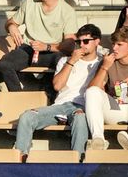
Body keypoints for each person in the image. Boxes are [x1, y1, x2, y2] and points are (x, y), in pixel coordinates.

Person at [12, 25, 101, 160]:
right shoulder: (65, 60)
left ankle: (78, 161)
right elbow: (58, 86)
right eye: (79, 42)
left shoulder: (101, 63)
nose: (82, 45)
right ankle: (20, 158)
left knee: (80, 118)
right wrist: (72, 61)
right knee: (27, 116)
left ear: (97, 41)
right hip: (60, 106)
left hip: (82, 107)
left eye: (86, 41)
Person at [0, 0, 79, 91]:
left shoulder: (67, 11)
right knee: (5, 64)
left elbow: (70, 44)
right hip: (28, 49)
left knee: (63, 65)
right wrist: (11, 26)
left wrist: (47, 47)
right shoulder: (29, 3)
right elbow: (11, 22)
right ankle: (16, 96)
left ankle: (55, 98)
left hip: (53, 52)